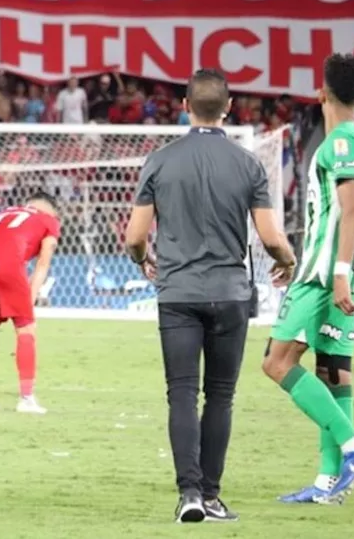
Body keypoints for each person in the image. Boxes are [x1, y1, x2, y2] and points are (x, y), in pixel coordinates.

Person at [124, 68, 296, 523]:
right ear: (228, 107)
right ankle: (213, 495)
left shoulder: (160, 160)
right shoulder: (248, 164)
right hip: (229, 293)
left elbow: (135, 236)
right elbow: (270, 237)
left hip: (177, 292)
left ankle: (189, 495)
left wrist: (142, 258)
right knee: (220, 396)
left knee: (181, 393)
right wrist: (288, 261)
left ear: (184, 107)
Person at [263, 54, 354, 505]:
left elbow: (350, 210)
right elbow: (339, 214)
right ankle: (328, 483)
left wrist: (332, 271)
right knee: (333, 371)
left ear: (321, 93)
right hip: (346, 267)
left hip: (327, 272)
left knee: (277, 362)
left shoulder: (341, 143)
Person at [0, 194, 61, 414]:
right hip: (7, 265)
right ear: (51, 212)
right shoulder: (49, 221)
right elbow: (43, 264)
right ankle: (26, 399)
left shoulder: (4, 213)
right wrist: (31, 299)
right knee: (26, 328)